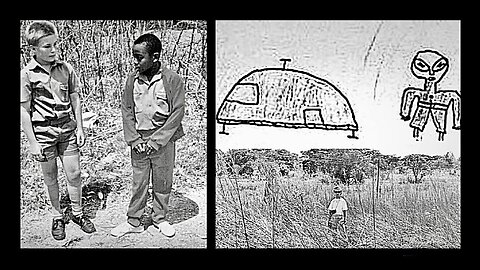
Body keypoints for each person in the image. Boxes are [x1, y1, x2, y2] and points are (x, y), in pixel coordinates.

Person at [20, 21, 96, 241]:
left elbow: (75, 97)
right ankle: (57, 216)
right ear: (33, 49)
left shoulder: (65, 69)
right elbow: (24, 111)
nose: (53, 50)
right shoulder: (27, 74)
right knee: (50, 176)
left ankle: (78, 213)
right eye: (47, 46)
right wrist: (33, 143)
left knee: (74, 174)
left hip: (67, 129)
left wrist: (80, 127)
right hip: (43, 133)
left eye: (55, 45)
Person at [111, 33, 185, 238]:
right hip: (139, 141)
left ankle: (159, 218)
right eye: (134, 56)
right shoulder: (131, 79)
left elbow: (177, 112)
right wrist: (133, 139)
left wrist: (158, 140)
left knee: (162, 182)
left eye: (139, 57)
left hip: (164, 140)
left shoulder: (172, 79)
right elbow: (126, 109)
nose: (135, 62)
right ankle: (134, 221)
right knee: (139, 182)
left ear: (155, 56)